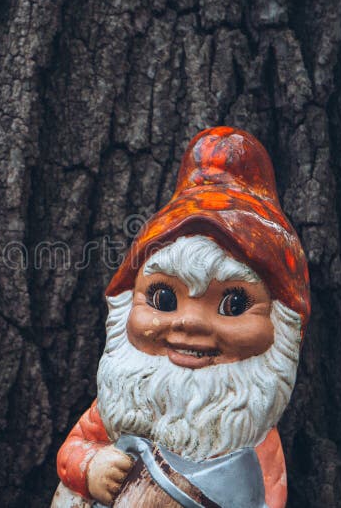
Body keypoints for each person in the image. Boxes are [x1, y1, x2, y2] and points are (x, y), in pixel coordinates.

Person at [51, 127, 310, 508]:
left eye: (234, 304)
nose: (189, 323)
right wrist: (91, 465)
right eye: (163, 297)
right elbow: (74, 450)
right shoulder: (120, 403)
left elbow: (267, 496)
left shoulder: (251, 431)